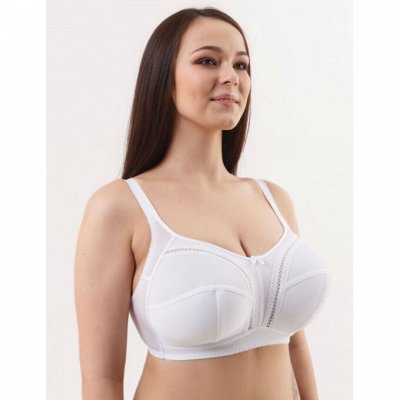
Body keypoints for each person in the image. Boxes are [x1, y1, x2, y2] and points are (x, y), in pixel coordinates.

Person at [74, 7, 330, 400]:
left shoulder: (274, 199)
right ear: (164, 79)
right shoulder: (120, 207)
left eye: (241, 65)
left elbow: (294, 345)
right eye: (208, 61)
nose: (231, 76)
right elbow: (102, 380)